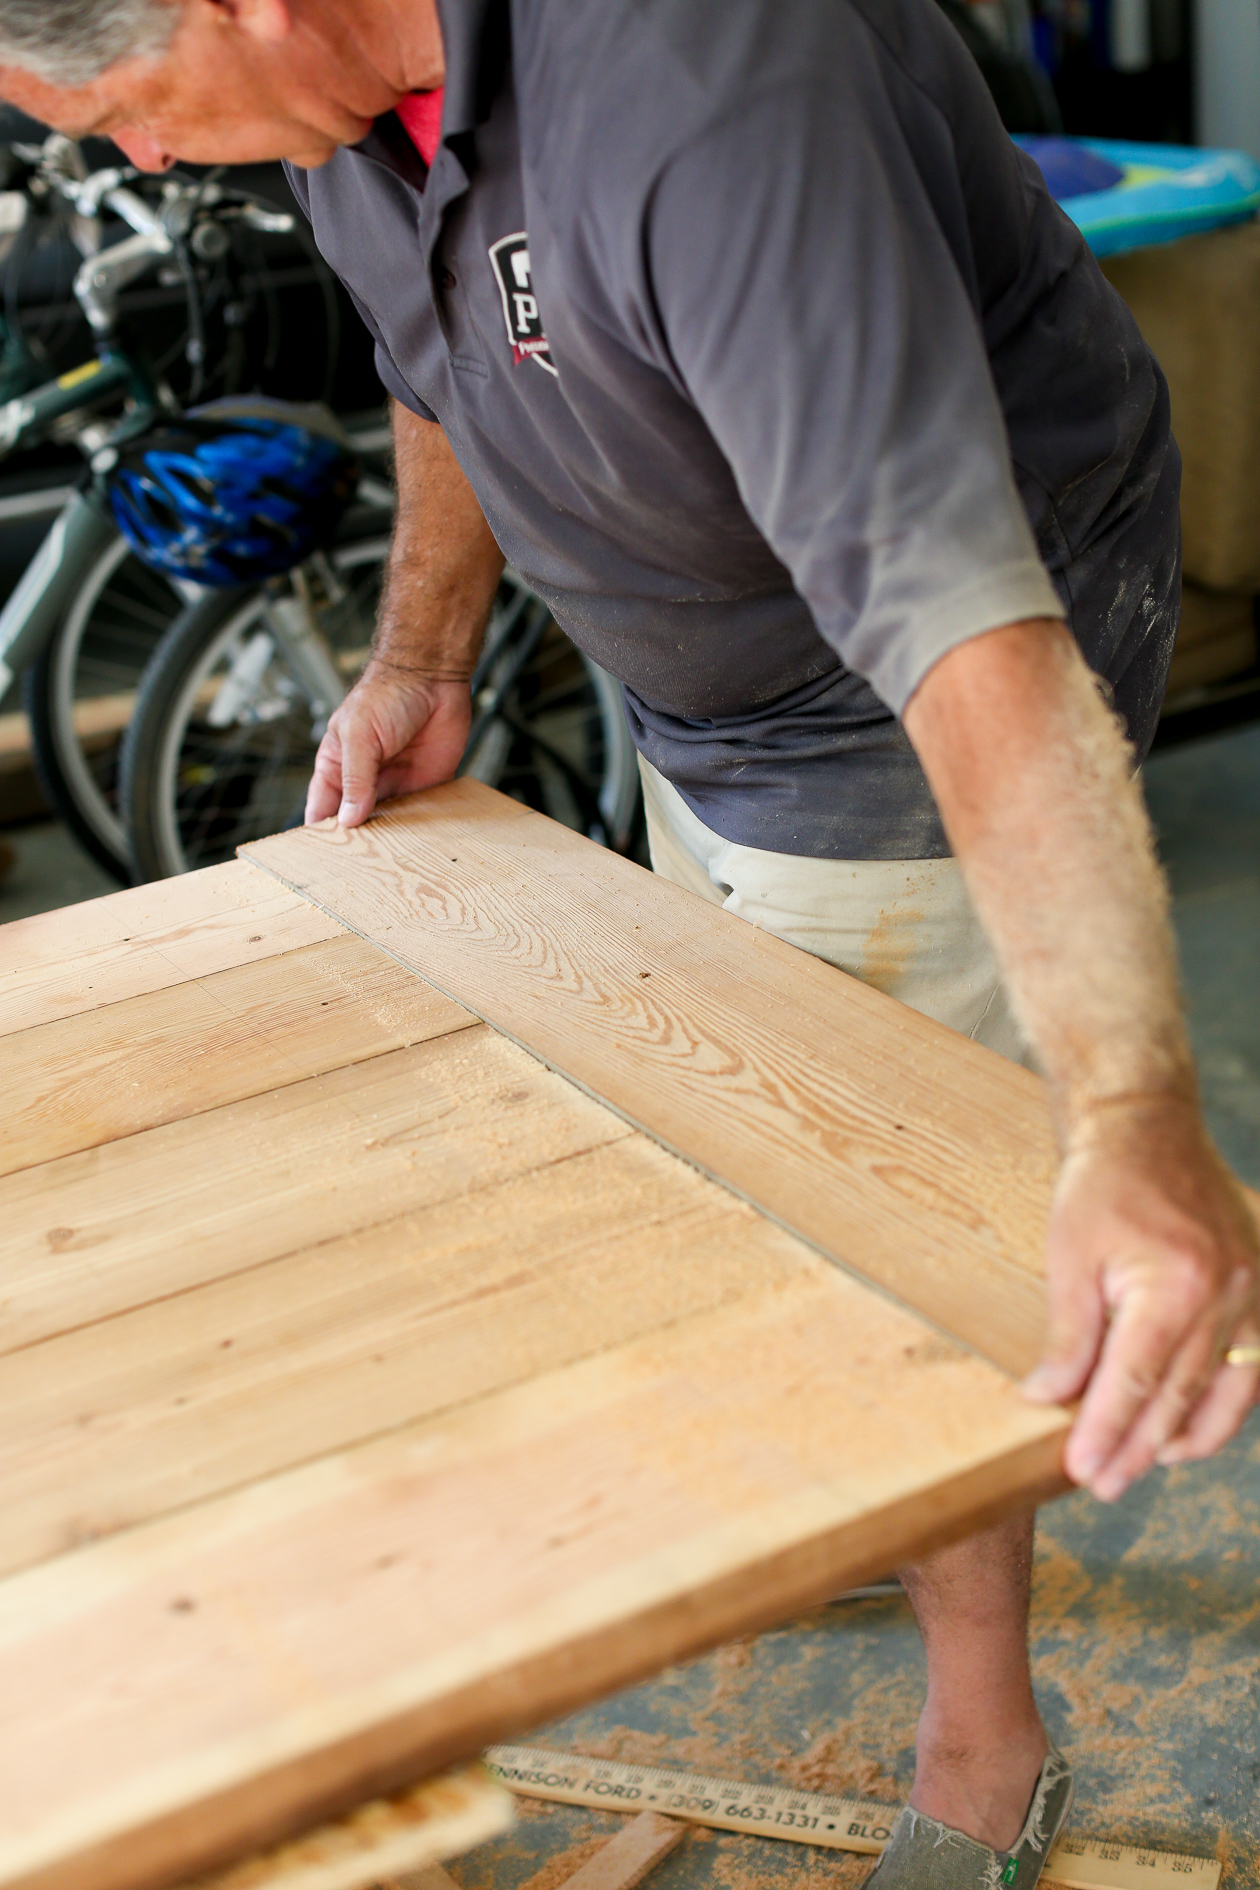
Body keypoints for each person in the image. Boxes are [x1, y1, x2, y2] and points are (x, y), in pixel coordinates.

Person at [3, 1, 1255, 1882]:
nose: (145, 166)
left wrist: (1135, 1112)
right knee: (738, 1092)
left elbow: (962, 629)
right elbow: (437, 367)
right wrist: (421, 656)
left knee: (903, 1202)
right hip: (704, 664)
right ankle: (863, 1513)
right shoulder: (348, 102)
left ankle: (985, 1735)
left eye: (122, 114)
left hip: (897, 670)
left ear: (232, 2)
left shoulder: (707, 92)